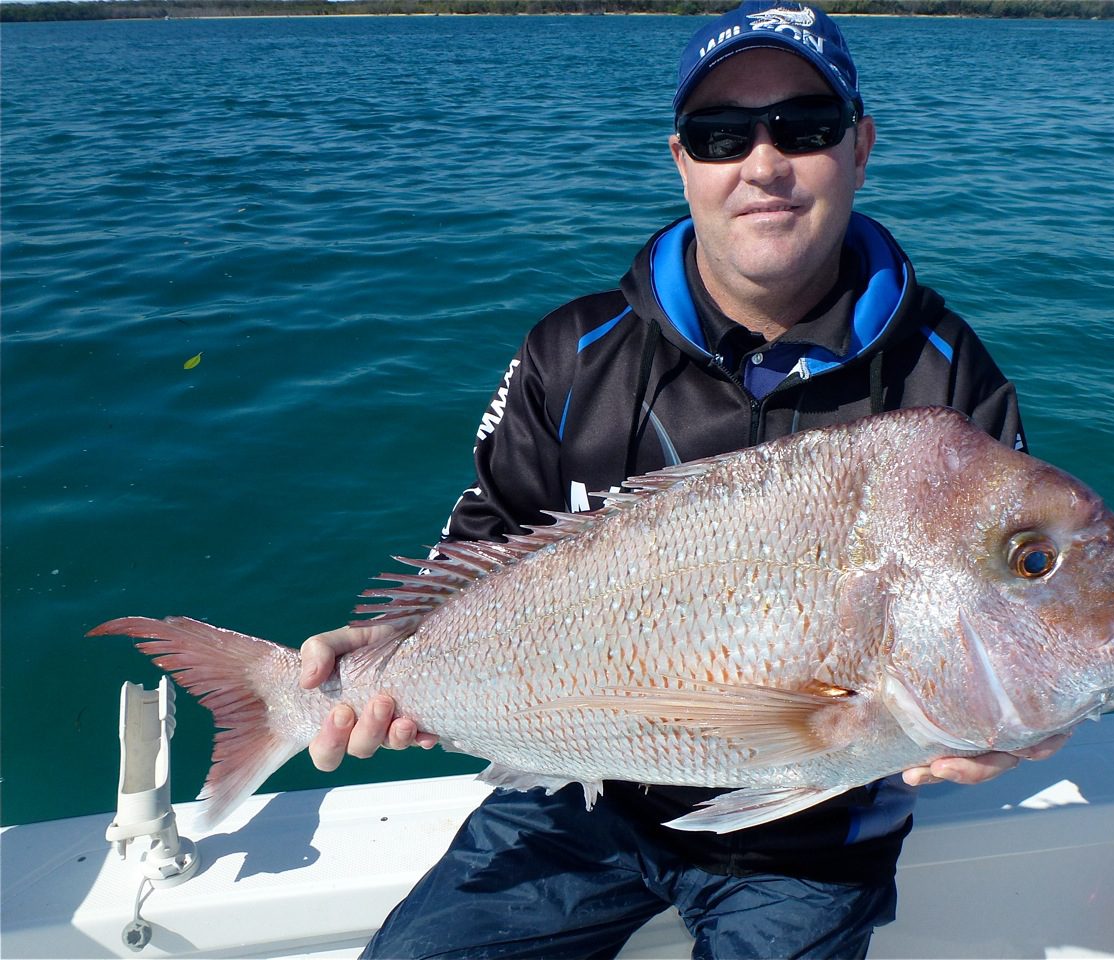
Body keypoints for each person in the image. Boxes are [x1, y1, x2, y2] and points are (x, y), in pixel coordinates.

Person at [300, 4, 1068, 957]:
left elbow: (1011, 603)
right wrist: (393, 653)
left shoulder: (949, 387)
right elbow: (488, 533)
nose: (763, 164)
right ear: (681, 161)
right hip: (574, 790)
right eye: (720, 135)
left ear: (861, 147)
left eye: (806, 127)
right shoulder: (570, 355)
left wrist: (1019, 713)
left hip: (810, 837)